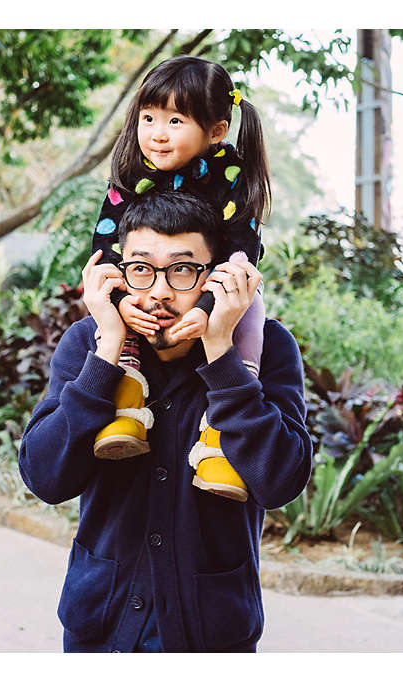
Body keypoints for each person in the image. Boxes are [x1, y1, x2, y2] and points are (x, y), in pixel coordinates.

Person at [18, 190, 312, 652]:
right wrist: (107, 354)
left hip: (209, 636)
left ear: (215, 276)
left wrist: (221, 354)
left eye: (182, 270)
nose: (158, 290)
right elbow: (45, 477)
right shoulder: (89, 342)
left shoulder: (267, 348)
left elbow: (280, 481)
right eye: (141, 269)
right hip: (101, 629)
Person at [89, 55, 271, 504]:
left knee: (254, 310)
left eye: (175, 120)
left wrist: (211, 314)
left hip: (222, 289)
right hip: (136, 295)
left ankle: (218, 436)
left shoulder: (230, 173)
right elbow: (108, 246)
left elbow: (241, 253)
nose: (157, 133)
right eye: (148, 118)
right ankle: (127, 397)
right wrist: (122, 304)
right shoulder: (132, 172)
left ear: (216, 131)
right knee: (103, 287)